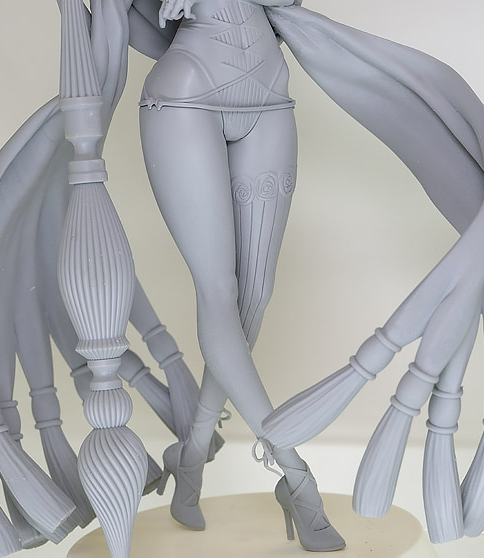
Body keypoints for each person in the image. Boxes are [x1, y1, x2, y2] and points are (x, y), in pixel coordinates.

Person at [140, 0, 345, 551]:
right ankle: (295, 474)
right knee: (220, 291)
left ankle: (191, 453)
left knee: (255, 293)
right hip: (186, 92)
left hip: (269, 91)